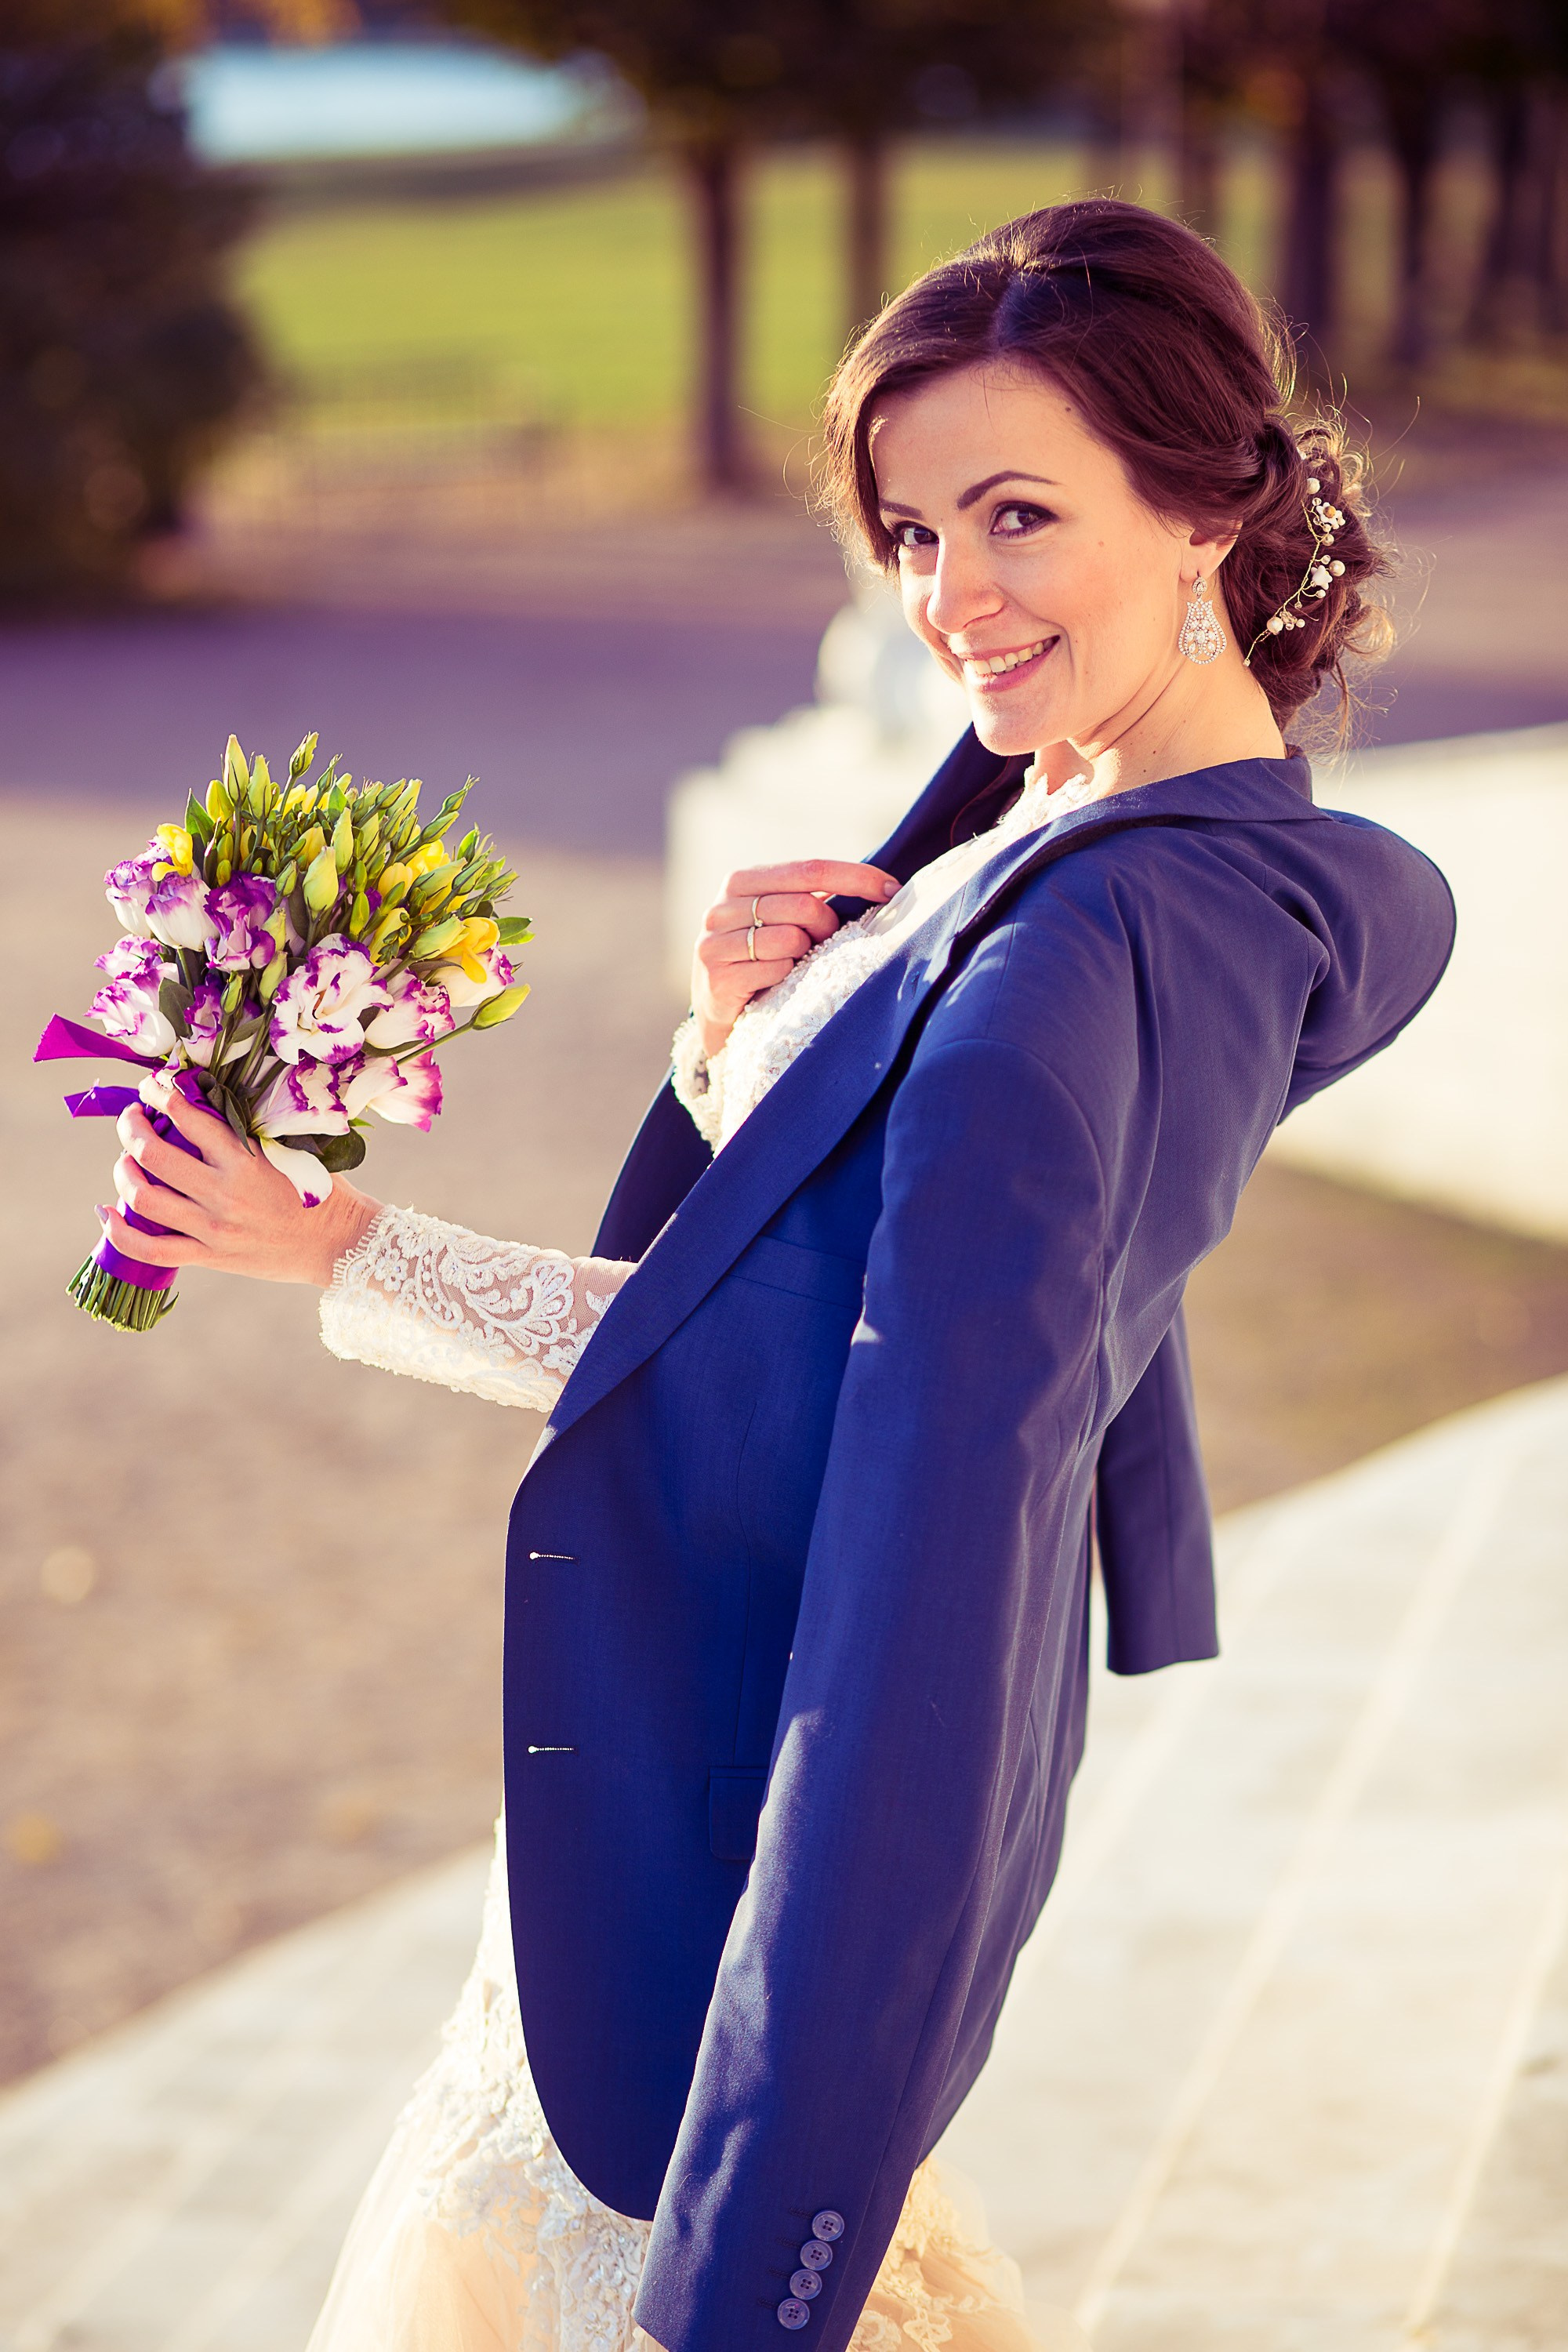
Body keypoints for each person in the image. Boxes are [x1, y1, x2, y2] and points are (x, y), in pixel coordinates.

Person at [103, 199, 1454, 2352]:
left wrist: (765, 2247)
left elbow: (938, 1596)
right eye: (911, 531)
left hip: (733, 1906)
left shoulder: (1082, 954)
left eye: (1020, 515)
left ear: (1209, 511)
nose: (950, 600)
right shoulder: (1049, 836)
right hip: (629, 1866)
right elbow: (753, 1363)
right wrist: (679, 1088)